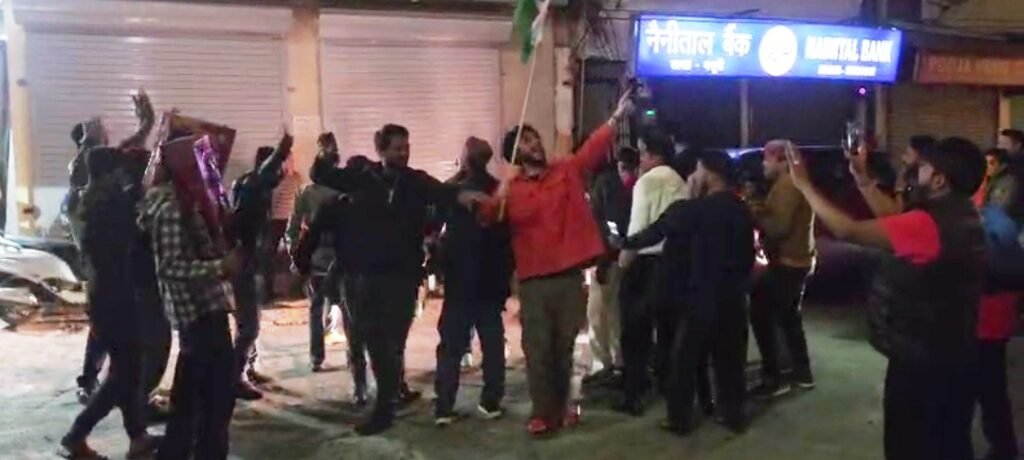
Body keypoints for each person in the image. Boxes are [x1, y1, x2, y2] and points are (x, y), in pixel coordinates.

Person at [788, 137, 986, 460]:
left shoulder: (928, 224)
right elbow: (893, 219)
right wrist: (862, 178)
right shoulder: (962, 213)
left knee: (910, 446)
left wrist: (804, 185)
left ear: (939, 180)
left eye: (923, 167)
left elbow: (848, 230)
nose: (914, 172)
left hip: (922, 364)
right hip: (953, 352)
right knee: (950, 443)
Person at [307, 124, 484, 435]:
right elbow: (323, 175)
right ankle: (384, 405)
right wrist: (325, 156)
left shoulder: (414, 181)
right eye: (397, 148)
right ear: (381, 150)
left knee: (394, 344)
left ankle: (386, 403)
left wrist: (465, 195)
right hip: (366, 277)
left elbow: (443, 192)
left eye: (406, 147)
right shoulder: (363, 178)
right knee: (375, 342)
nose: (404, 153)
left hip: (403, 277)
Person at [477, 90, 633, 436]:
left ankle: (561, 408)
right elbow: (488, 217)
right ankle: (541, 412)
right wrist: (501, 189)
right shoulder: (511, 188)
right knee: (537, 349)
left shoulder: (565, 170)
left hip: (568, 276)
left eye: (534, 137)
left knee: (563, 348)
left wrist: (616, 116)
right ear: (515, 154)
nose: (535, 144)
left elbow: (591, 149)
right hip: (533, 280)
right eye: (526, 141)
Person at [618, 150, 754, 435]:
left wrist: (620, 243)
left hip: (699, 297)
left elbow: (655, 232)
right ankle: (733, 414)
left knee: (684, 361)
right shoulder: (741, 209)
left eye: (697, 170)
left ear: (710, 174)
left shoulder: (693, 210)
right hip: (734, 297)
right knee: (730, 360)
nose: (692, 176)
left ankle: (679, 418)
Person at [140, 148, 244, 460]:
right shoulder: (173, 209)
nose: (206, 167)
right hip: (198, 313)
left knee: (194, 397)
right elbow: (169, 267)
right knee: (214, 399)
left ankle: (179, 452)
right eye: (199, 161)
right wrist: (220, 267)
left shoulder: (187, 202)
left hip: (205, 310)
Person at [59, 147, 161, 460]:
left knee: (127, 369)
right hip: (115, 299)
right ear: (108, 175)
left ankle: (138, 436)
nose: (122, 177)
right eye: (118, 172)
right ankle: (76, 436)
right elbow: (136, 209)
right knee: (123, 374)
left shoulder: (87, 201)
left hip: (104, 296)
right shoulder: (109, 206)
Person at [432, 137, 513, 427]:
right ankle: (490, 402)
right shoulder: (498, 191)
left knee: (451, 348)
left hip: (459, 283)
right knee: (492, 345)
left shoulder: (451, 191)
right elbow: (506, 240)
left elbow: (434, 231)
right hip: (489, 283)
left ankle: (444, 406)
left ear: (465, 158)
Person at [615, 127, 688, 416]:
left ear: (654, 155)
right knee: (668, 331)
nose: (641, 159)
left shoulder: (646, 183)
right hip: (674, 265)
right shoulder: (680, 183)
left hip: (645, 265)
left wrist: (624, 260)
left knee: (635, 334)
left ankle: (634, 393)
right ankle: (670, 388)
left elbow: (639, 228)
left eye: (643, 152)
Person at [293, 154, 374, 407]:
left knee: (355, 330)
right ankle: (371, 383)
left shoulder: (339, 203)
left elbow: (310, 234)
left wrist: (301, 262)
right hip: (361, 273)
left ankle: (362, 383)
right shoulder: (349, 203)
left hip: (353, 271)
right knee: (365, 331)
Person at [747, 140, 816, 398]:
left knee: (763, 315)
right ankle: (800, 372)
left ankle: (775, 377)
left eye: (767, 159)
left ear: (782, 161)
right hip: (797, 260)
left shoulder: (788, 185)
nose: (763, 164)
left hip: (789, 262)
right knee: (788, 318)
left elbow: (778, 227)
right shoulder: (791, 183)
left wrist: (753, 211)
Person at [229, 139, 293, 399]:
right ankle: (235, 378)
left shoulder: (251, 185)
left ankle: (246, 369)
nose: (283, 173)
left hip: (249, 262)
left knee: (250, 321)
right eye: (279, 167)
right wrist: (281, 151)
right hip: (242, 264)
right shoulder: (253, 186)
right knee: (249, 326)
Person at [287, 133, 343, 372]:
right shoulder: (342, 193)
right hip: (341, 256)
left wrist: (295, 254)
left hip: (316, 255)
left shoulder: (306, 193)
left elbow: (292, 227)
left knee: (315, 307)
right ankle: (356, 359)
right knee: (348, 308)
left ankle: (316, 357)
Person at [584, 146, 639, 385]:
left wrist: (603, 260)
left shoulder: (606, 184)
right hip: (620, 257)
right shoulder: (619, 184)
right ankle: (618, 362)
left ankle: (606, 364)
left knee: (599, 313)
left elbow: (607, 225)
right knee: (614, 312)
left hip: (608, 258)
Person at [268, 154, 303, 298]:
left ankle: (294, 287)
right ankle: (271, 289)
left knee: (294, 252)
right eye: (288, 160)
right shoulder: (276, 179)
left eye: (292, 160)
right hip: (277, 220)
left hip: (291, 219)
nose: (291, 163)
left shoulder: (297, 178)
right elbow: (273, 201)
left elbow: (299, 198)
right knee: (272, 254)